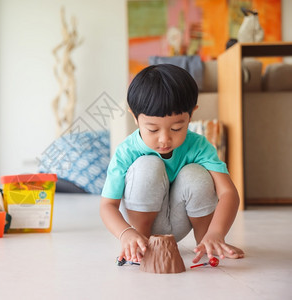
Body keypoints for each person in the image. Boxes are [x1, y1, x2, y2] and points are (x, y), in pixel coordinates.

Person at [99, 64, 244, 264]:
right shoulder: (126, 151)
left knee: (196, 173)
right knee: (147, 166)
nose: (164, 139)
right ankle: (140, 246)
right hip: (142, 226)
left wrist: (217, 232)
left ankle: (207, 243)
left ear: (192, 115)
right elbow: (107, 205)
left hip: (180, 220)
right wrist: (126, 234)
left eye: (177, 128)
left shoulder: (199, 146)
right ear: (134, 117)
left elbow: (228, 193)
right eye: (152, 129)